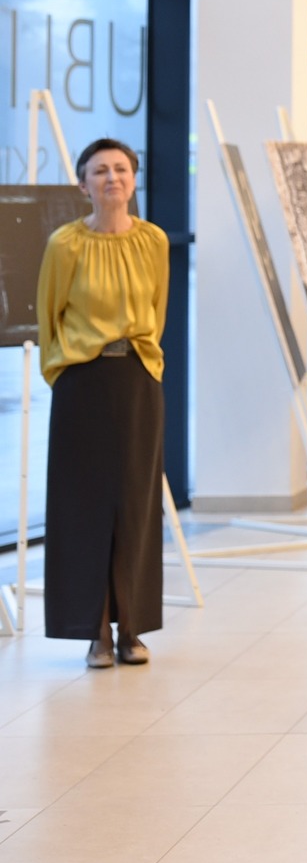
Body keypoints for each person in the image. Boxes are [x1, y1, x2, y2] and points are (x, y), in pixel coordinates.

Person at [35, 138, 169, 668]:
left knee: (136, 505)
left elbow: (157, 309)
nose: (112, 178)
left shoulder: (153, 240)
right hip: (82, 383)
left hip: (137, 378)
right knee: (83, 505)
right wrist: (65, 371)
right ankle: (96, 631)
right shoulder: (65, 244)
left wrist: (145, 361)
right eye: (99, 171)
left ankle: (132, 627)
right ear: (82, 184)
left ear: (133, 179)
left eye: (120, 169)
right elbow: (49, 316)